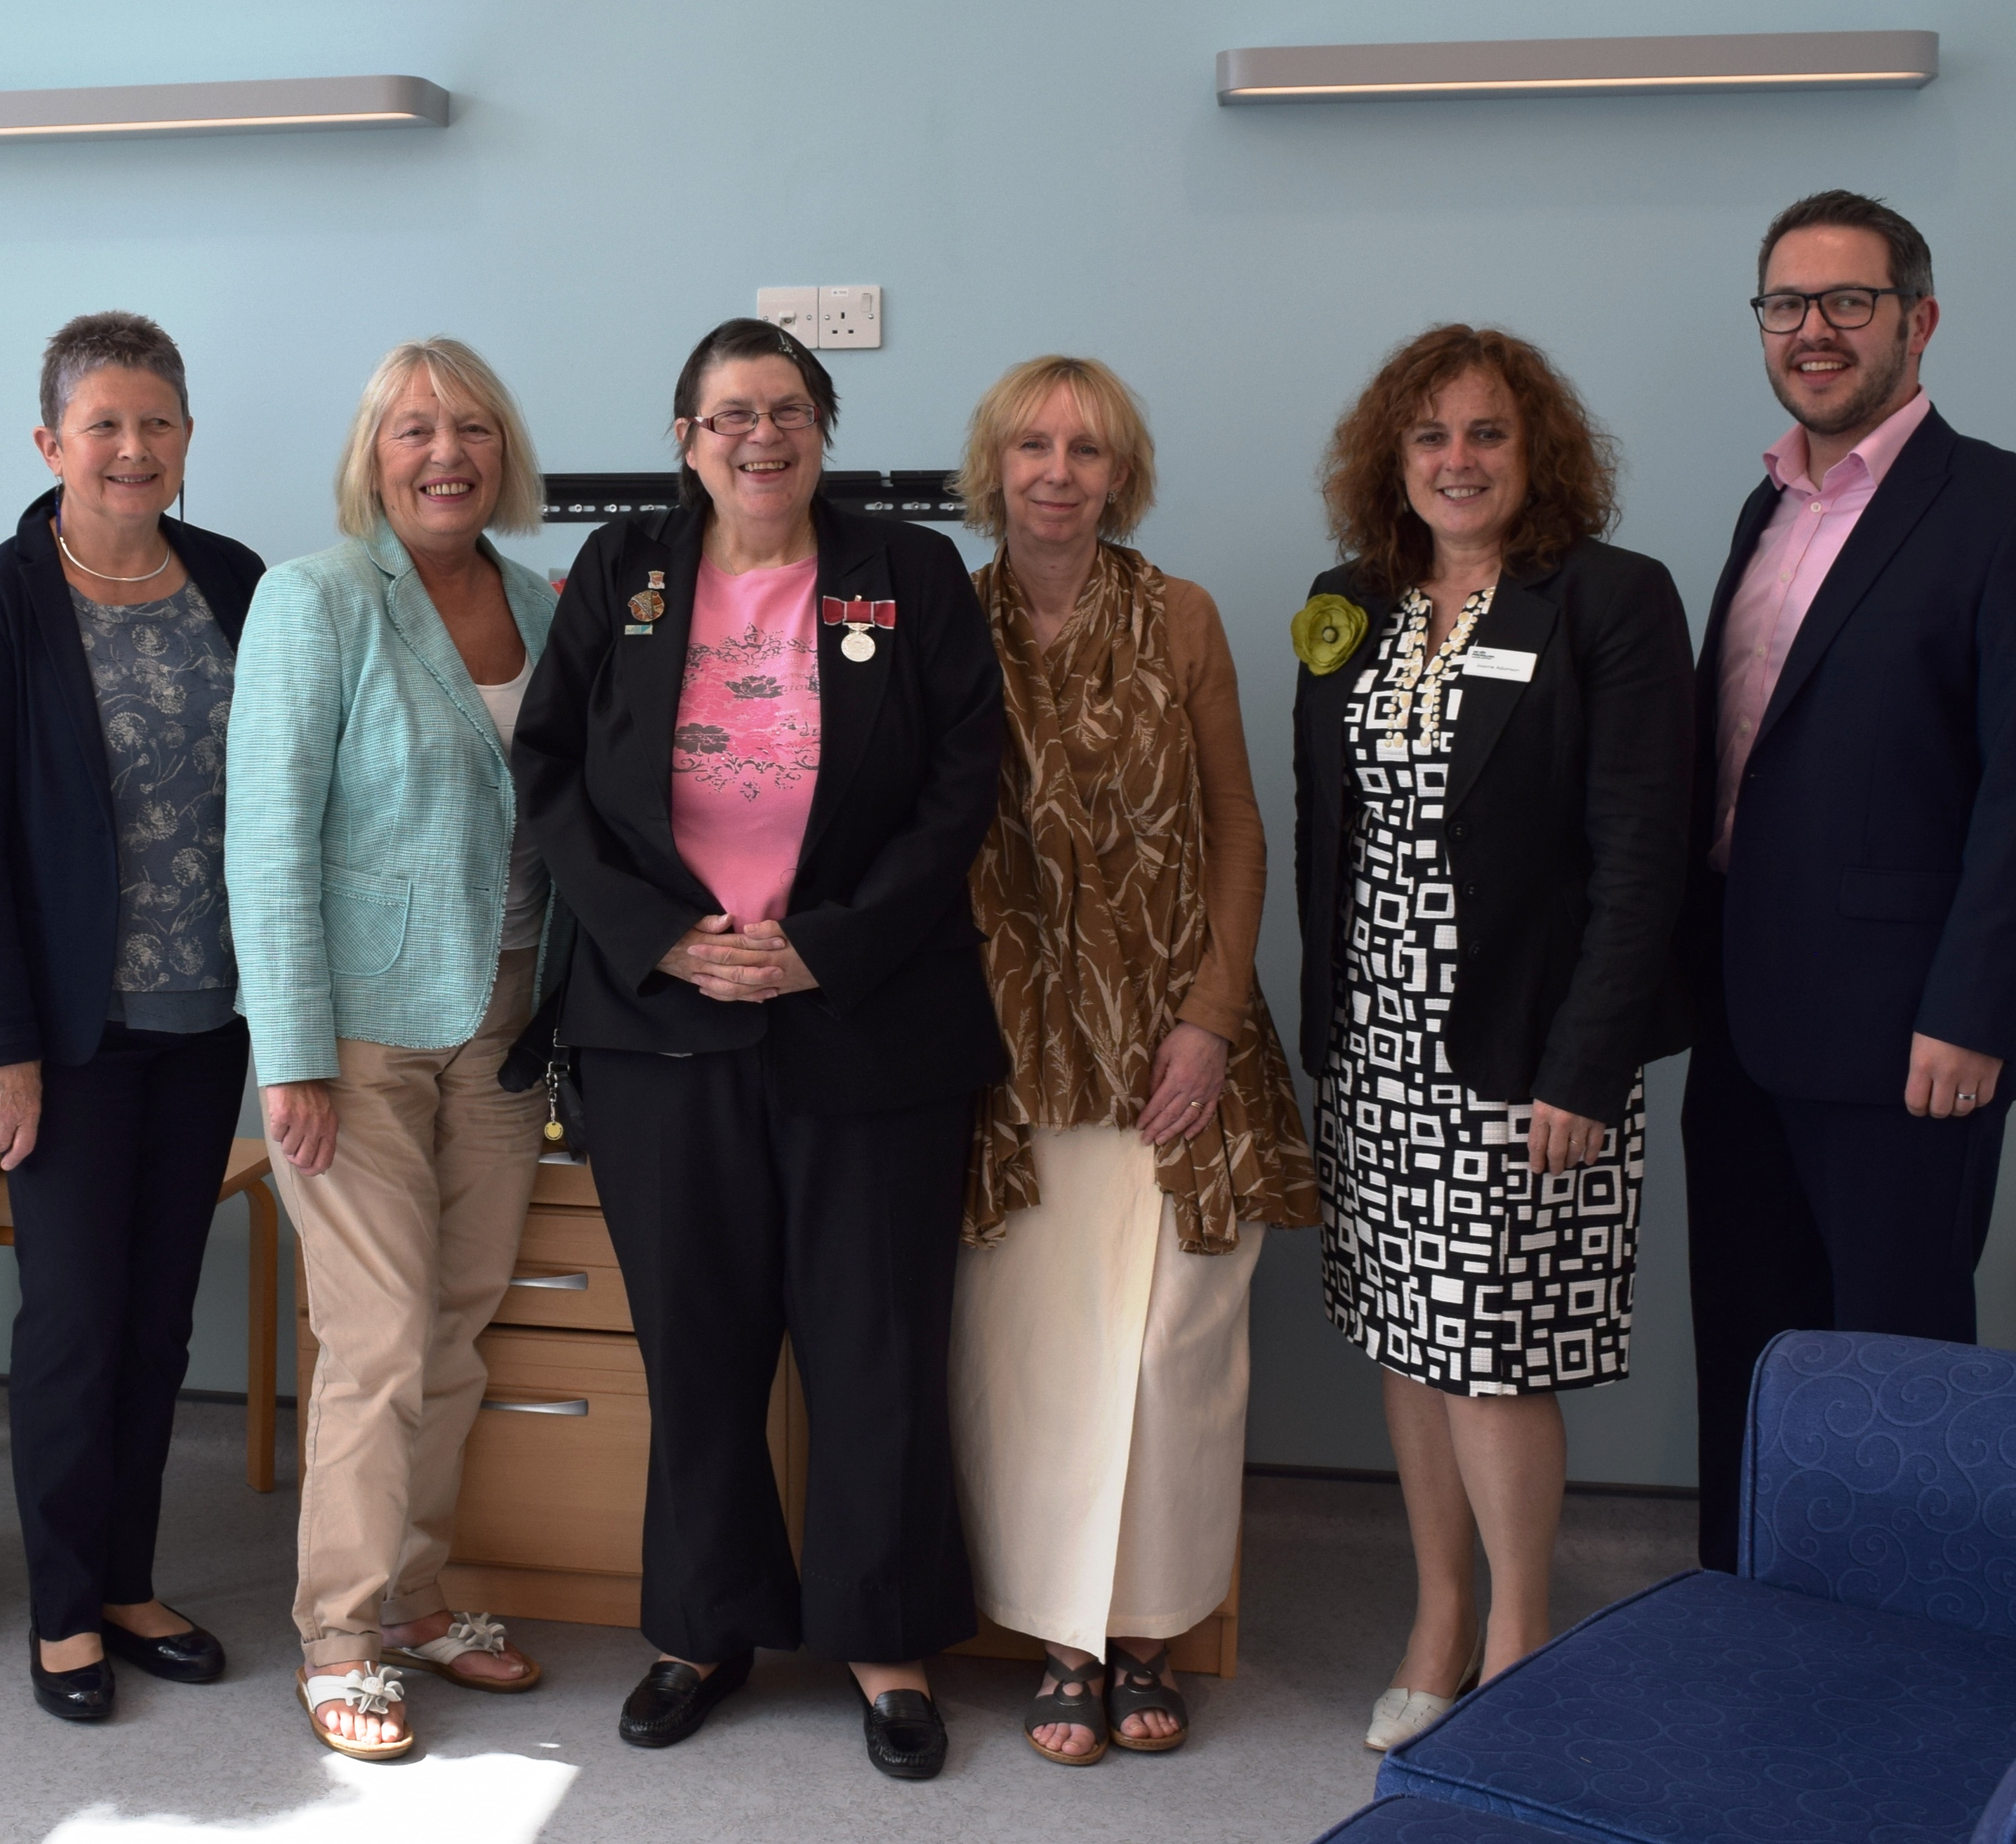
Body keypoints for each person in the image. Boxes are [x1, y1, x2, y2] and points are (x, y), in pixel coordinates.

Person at [511, 317, 1004, 1782]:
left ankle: (886, 1637)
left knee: (873, 1345)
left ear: (822, 427)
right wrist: (661, 935)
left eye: (786, 409)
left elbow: (962, 777)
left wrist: (826, 942)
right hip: (664, 1023)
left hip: (867, 1011)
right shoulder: (621, 574)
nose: (759, 437)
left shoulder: (907, 573)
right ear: (685, 439)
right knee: (701, 1342)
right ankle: (703, 1625)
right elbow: (552, 778)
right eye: (729, 414)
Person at [1293, 324, 1692, 1751]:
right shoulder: (1352, 602)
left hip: (1526, 1050)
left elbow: (1644, 852)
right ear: (1388, 460)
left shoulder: (1607, 599)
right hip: (1381, 1045)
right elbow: (1318, 832)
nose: (1455, 461)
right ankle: (1438, 1613)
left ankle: (1522, 1645)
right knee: (1407, 1338)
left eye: (1486, 435)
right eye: (1429, 437)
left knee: (1492, 1351)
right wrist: (1326, 1042)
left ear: (1537, 455)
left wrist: (1585, 1064)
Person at [948, 357, 1316, 1765]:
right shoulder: (942, 620)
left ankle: (1148, 1627)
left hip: (1176, 1036)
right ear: (995, 466)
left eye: (1087, 449)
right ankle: (1056, 1636)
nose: (1058, 470)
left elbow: (1234, 819)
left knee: (1171, 1350)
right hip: (1012, 1044)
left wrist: (1211, 1016)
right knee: (1034, 1351)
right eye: (1032, 445)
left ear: (1121, 473)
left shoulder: (1181, 616)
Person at [0, 313, 262, 1723]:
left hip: (207, 1018)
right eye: (104, 425)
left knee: (156, 1324)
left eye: (159, 423)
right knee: (68, 1325)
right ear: (51, 442)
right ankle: (64, 1609)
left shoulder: (237, 581)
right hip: (61, 1035)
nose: (134, 449)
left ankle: (127, 1579)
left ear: (187, 437)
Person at [227, 337, 560, 1761]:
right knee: (372, 1338)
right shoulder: (314, 599)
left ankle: (419, 1593)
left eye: (472, 428)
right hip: (354, 1032)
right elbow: (268, 833)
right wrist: (288, 1053)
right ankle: (342, 1633)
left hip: (503, 1018)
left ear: (505, 451)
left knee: (455, 1323)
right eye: (415, 428)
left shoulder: (543, 598)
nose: (446, 452)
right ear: (374, 452)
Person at [1683, 192, 2016, 1571]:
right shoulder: (1765, 504)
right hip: (1745, 1016)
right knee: (1751, 1348)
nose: (1810, 330)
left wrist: (1977, 1008)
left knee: (1890, 1369)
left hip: (1906, 1036)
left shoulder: (1992, 506)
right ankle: (1741, 1609)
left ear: (1917, 320)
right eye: (1784, 304)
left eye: (1846, 302)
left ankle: (1899, 1653)